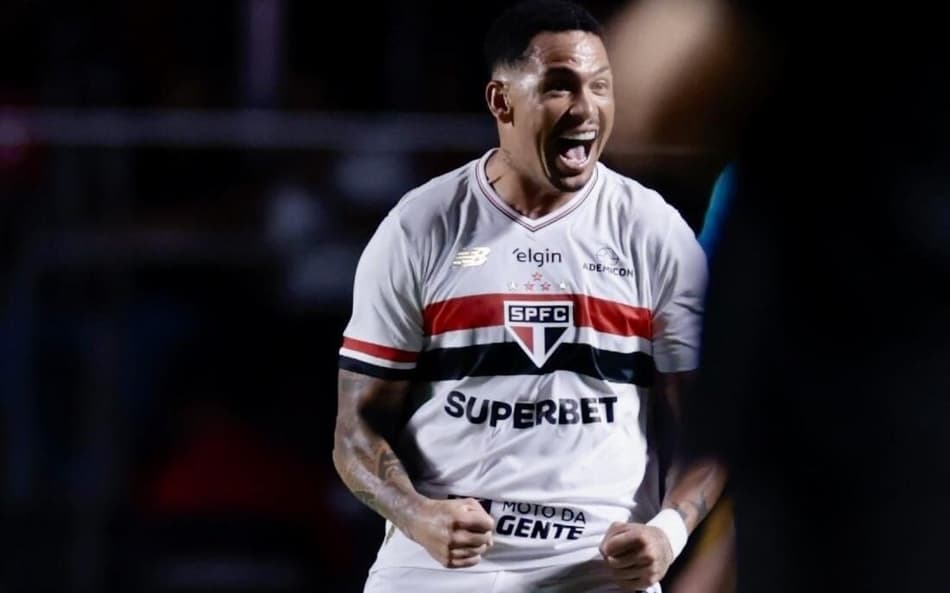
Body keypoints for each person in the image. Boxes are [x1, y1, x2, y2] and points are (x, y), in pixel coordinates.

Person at [332, 1, 726, 591]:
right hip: (442, 565)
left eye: (600, 86)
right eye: (560, 87)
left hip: (597, 567)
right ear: (501, 101)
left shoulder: (652, 230)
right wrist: (418, 516)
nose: (587, 108)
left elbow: (713, 422)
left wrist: (668, 532)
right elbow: (353, 432)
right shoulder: (421, 225)